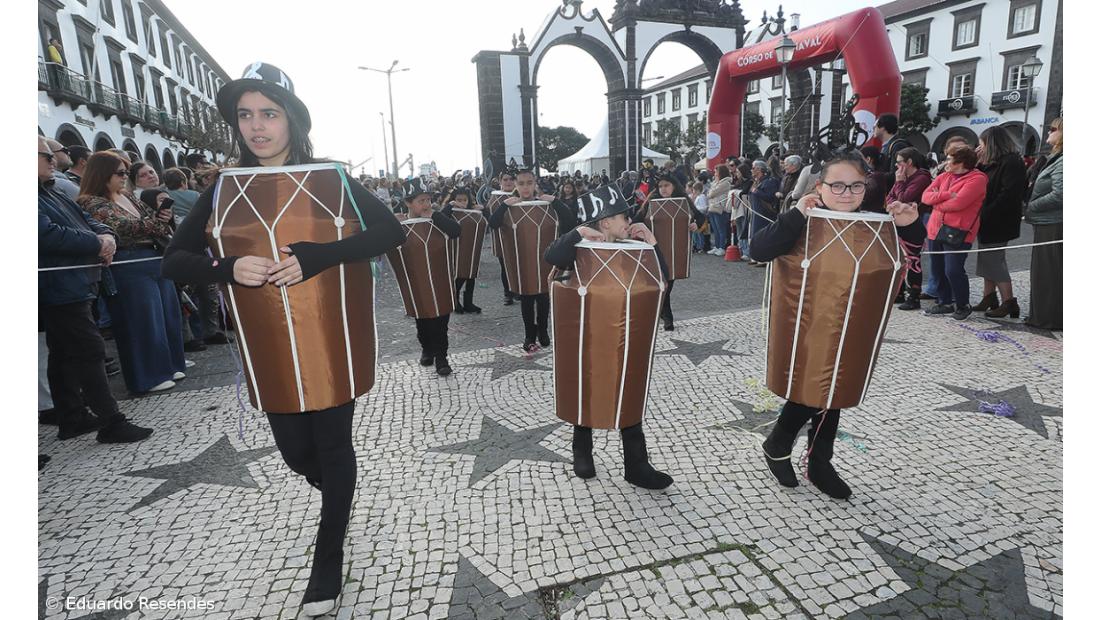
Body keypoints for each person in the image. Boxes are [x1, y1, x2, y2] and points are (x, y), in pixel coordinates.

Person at [161, 62, 405, 617]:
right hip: (267, 343)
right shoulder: (223, 188)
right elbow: (174, 261)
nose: (257, 126)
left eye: (269, 113)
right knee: (298, 454)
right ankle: (336, 490)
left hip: (329, 337)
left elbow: (389, 231)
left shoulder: (331, 178)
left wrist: (321, 256)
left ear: (291, 118)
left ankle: (328, 556)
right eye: (245, 115)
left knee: (334, 446)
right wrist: (226, 267)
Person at [752, 153, 925, 499]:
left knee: (837, 388)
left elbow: (911, 257)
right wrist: (797, 212)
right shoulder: (806, 218)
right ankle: (783, 444)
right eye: (837, 185)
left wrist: (910, 226)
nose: (847, 193)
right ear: (820, 186)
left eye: (856, 186)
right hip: (807, 323)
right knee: (815, 387)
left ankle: (817, 459)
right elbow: (760, 248)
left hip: (853, 321)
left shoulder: (874, 223)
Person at [544, 195, 674, 490]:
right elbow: (551, 256)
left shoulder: (636, 247)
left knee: (629, 384)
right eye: (624, 217)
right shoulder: (580, 248)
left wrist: (652, 242)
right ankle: (582, 450)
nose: (630, 222)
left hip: (627, 329)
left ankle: (636, 465)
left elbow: (663, 279)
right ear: (605, 222)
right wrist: (577, 232)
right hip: (588, 330)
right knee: (586, 382)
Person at [39, 137, 154, 443]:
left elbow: (87, 219)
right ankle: (111, 421)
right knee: (89, 349)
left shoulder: (51, 191)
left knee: (63, 353)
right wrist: (96, 242)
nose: (53, 160)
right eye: (46, 155)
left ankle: (72, 416)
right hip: (58, 284)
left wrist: (105, 236)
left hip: (75, 281)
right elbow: (46, 234)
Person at [77, 152, 186, 393]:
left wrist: (158, 220)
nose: (125, 177)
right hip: (127, 263)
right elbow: (123, 227)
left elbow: (148, 221)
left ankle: (171, 365)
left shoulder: (126, 195)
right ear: (102, 173)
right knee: (142, 320)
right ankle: (149, 376)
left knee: (167, 316)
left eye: (126, 172)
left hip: (153, 258)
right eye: (120, 173)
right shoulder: (91, 201)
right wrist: (155, 223)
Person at [487, 168, 577, 352]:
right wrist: (504, 206)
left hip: (544, 261)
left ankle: (543, 330)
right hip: (522, 263)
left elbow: (570, 221)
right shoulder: (510, 206)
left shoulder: (546, 204)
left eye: (529, 183)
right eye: (521, 183)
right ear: (516, 185)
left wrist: (556, 201)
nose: (525, 187)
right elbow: (493, 224)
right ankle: (529, 334)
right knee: (527, 299)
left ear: (535, 184)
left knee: (543, 297)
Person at [921, 144, 988, 320]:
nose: (946, 162)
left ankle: (963, 304)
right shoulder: (944, 176)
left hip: (958, 231)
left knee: (953, 269)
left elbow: (958, 203)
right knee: (938, 268)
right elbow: (925, 197)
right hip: (935, 229)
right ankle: (945, 302)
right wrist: (945, 195)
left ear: (961, 162)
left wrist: (936, 203)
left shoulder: (977, 179)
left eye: (950, 159)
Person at [404, 182, 462, 375]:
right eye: (421, 201)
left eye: (428, 200)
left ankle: (441, 358)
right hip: (416, 279)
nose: (426, 204)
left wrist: (435, 216)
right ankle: (427, 348)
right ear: (409, 203)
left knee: (441, 321)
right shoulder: (401, 224)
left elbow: (456, 231)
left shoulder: (437, 218)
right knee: (422, 320)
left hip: (440, 278)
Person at [633, 173, 704, 331]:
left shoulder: (683, 200)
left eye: (666, 185)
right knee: (663, 284)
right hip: (657, 250)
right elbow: (638, 218)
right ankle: (667, 317)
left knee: (667, 285)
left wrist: (696, 224)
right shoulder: (652, 200)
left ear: (674, 186)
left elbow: (700, 217)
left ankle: (663, 314)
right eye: (660, 186)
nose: (663, 189)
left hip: (676, 252)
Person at [972, 125, 1027, 318]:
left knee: (994, 260)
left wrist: (986, 212)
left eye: (982, 144)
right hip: (988, 218)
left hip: (999, 219)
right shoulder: (991, 163)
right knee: (987, 258)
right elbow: (976, 177)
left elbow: (1009, 193)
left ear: (992, 143)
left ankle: (1009, 302)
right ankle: (989, 297)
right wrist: (976, 160)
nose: (980, 147)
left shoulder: (1012, 162)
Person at [1024, 117, 1062, 331]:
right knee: (1044, 272)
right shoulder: (1057, 157)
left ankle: (1048, 318)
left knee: (1048, 272)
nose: (1048, 132)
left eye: (1053, 129)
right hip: (1047, 221)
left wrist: (1032, 206)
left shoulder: (1064, 160)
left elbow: (1060, 194)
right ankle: (1042, 315)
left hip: (1053, 222)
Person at [885, 147, 932, 311]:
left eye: (899, 162)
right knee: (898, 258)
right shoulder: (903, 177)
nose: (896, 166)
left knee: (913, 260)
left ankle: (914, 296)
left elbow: (905, 198)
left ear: (909, 162)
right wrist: (896, 203)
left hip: (914, 224)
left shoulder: (922, 178)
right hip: (899, 223)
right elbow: (890, 197)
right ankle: (899, 291)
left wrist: (899, 183)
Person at [441, 185, 483, 315]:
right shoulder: (450, 211)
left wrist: (483, 208)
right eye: (459, 200)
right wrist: (450, 205)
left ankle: (468, 302)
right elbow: (440, 217)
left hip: (471, 246)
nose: (462, 203)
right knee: (460, 274)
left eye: (465, 200)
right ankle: (454, 300)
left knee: (471, 275)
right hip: (456, 247)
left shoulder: (472, 210)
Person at [487, 169, 518, 305]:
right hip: (501, 238)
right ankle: (508, 293)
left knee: (519, 266)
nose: (508, 182)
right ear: (500, 181)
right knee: (505, 267)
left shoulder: (521, 195)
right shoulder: (495, 198)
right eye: (505, 179)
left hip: (519, 238)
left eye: (511, 179)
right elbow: (492, 219)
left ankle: (519, 291)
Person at [745, 160, 780, 265]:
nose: (751, 170)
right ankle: (756, 256)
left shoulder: (769, 181)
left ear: (759, 169)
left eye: (753, 168)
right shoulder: (757, 181)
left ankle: (764, 258)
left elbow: (770, 197)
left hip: (764, 213)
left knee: (763, 235)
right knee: (755, 234)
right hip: (756, 212)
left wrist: (756, 192)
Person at [872, 113, 911, 186]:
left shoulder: (898, 145)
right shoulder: (887, 145)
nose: (873, 128)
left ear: (883, 127)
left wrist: (873, 176)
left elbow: (895, 174)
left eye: (875, 126)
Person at [705, 164, 733, 256]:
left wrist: (710, 192)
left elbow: (712, 193)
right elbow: (709, 193)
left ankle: (722, 247)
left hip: (720, 208)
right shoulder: (716, 182)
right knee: (715, 229)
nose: (715, 173)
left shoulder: (725, 183)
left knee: (721, 229)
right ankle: (717, 246)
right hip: (712, 207)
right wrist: (710, 192)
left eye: (716, 171)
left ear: (721, 172)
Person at [859, 146, 890, 213]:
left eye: (860, 159)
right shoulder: (875, 175)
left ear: (868, 159)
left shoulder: (876, 176)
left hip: (871, 215)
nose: (858, 162)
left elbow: (863, 196)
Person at [690, 181, 708, 253]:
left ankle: (701, 246)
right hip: (697, 216)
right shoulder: (698, 197)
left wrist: (696, 209)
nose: (693, 191)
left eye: (694, 190)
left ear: (697, 190)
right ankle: (697, 245)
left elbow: (704, 207)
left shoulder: (702, 197)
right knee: (696, 233)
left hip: (701, 216)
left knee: (700, 233)